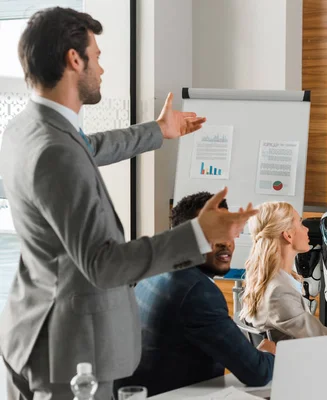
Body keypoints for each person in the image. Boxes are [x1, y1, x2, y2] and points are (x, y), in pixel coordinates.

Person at [0, 7, 257, 400]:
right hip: (68, 357)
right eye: (97, 56)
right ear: (74, 59)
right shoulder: (55, 150)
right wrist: (196, 235)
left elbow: (89, 148)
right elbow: (103, 265)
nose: (101, 68)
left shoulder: (27, 128)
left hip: (33, 331)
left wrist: (157, 131)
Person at [113, 192, 275, 397]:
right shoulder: (197, 292)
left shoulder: (158, 270)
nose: (225, 242)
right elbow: (258, 372)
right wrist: (270, 352)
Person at [239, 201, 327, 342]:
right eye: (300, 223)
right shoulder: (279, 293)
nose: (306, 229)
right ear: (288, 235)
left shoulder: (271, 282)